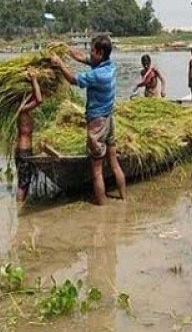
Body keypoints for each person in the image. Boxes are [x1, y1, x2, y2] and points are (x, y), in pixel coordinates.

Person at [50, 36, 126, 205]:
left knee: (97, 171)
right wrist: (66, 48)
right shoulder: (110, 67)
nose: (89, 53)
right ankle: (123, 200)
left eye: (92, 50)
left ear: (100, 53)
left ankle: (102, 208)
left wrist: (59, 64)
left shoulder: (97, 75)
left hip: (97, 124)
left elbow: (73, 80)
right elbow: (82, 58)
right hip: (109, 121)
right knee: (114, 164)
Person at [14, 68, 43, 204]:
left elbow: (34, 96)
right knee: (23, 182)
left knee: (24, 180)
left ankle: (21, 204)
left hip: (23, 150)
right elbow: (38, 100)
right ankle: (19, 207)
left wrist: (33, 82)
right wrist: (34, 79)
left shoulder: (23, 107)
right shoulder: (21, 109)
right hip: (23, 151)